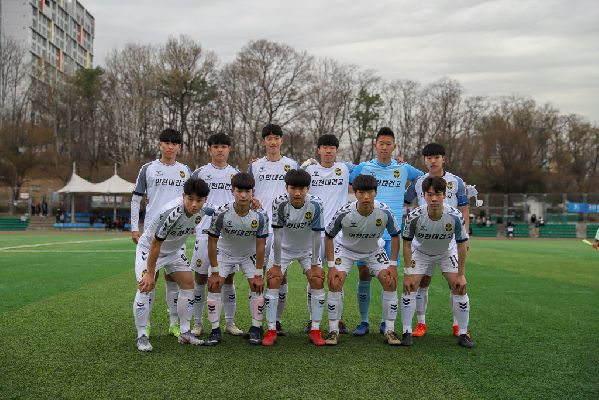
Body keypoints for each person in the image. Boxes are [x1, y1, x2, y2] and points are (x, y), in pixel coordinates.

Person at [349, 127, 424, 336]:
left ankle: (385, 322)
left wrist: (408, 197)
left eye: (388, 144)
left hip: (392, 234)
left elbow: (423, 179)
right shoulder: (364, 167)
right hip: (366, 234)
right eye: (381, 143)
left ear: (394, 146)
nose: (384, 147)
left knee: (389, 278)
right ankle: (364, 321)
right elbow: (347, 180)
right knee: (364, 274)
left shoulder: (403, 168)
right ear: (375, 145)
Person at [133, 177, 213, 351]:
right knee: (145, 287)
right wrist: (150, 273)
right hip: (150, 249)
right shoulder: (172, 212)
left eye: (199, 200)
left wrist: (251, 204)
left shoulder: (205, 209)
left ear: (205, 200)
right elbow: (155, 243)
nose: (194, 204)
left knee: (188, 284)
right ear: (183, 196)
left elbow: (220, 209)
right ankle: (142, 336)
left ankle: (185, 333)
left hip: (174, 251)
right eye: (190, 199)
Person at [324, 174, 402, 346]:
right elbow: (328, 236)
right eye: (361, 192)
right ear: (355, 193)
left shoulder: (384, 211)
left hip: (373, 250)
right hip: (346, 250)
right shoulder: (345, 212)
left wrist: (393, 265)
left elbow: (396, 235)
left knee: (390, 281)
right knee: (335, 282)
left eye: (370, 192)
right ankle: (333, 330)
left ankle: (389, 330)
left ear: (375, 192)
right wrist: (331, 266)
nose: (366, 197)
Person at [403, 143, 470, 337]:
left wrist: (465, 236)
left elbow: (464, 208)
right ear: (425, 160)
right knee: (422, 282)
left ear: (443, 159)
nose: (433, 161)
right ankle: (420, 324)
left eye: (437, 157)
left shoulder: (456, 182)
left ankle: (458, 326)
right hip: (423, 241)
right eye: (429, 158)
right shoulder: (418, 181)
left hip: (449, 240)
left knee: (456, 283)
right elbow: (404, 201)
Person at [130, 128, 192, 338]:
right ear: (160, 145)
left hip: (175, 236)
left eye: (174, 144)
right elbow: (136, 198)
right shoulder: (148, 169)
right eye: (166, 143)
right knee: (149, 280)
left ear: (179, 147)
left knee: (174, 280)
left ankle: (174, 324)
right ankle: (145, 327)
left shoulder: (185, 170)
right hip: (153, 233)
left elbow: (196, 197)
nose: (170, 147)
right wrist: (134, 227)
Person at [263, 169, 326, 346]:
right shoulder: (279, 203)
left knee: (317, 280)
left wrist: (315, 264)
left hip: (307, 249)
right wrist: (276, 265)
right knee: (274, 279)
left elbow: (317, 235)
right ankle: (271, 329)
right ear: (286, 188)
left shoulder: (316, 204)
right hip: (283, 248)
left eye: (301, 189)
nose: (297, 193)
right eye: (293, 189)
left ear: (308, 189)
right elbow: (277, 235)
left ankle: (315, 329)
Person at [189, 133, 243, 337]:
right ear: (209, 149)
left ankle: (229, 323)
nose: (220, 150)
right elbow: (190, 199)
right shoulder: (200, 173)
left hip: (228, 235)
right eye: (216, 146)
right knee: (200, 279)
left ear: (229, 149)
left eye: (224, 146)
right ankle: (197, 323)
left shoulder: (235, 174)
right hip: (204, 233)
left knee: (227, 279)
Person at [206, 172, 269, 345]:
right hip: (224, 254)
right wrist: (215, 272)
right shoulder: (221, 213)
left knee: (257, 286)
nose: (243, 195)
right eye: (239, 191)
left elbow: (261, 245)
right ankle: (215, 330)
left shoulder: (261, 215)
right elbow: (212, 242)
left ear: (253, 192)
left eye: (247, 191)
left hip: (249, 255)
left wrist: (258, 273)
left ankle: (256, 328)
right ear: (232, 191)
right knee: (214, 285)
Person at [248, 123, 298, 335]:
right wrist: (252, 201)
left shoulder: (292, 165)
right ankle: (257, 323)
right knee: (257, 275)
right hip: (260, 228)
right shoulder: (255, 166)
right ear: (263, 142)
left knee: (280, 275)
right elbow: (246, 191)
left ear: (281, 140)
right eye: (269, 138)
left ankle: (276, 321)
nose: (273, 142)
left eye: (276, 138)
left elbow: (299, 192)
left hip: (283, 229)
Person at [301, 134, 353, 334]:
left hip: (337, 235)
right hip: (313, 233)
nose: (328, 151)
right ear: (319, 150)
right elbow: (291, 180)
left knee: (336, 277)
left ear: (336, 151)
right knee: (314, 277)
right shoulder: (309, 171)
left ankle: (338, 319)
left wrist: (397, 162)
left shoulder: (345, 168)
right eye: (325, 147)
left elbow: (370, 168)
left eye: (332, 148)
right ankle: (312, 319)